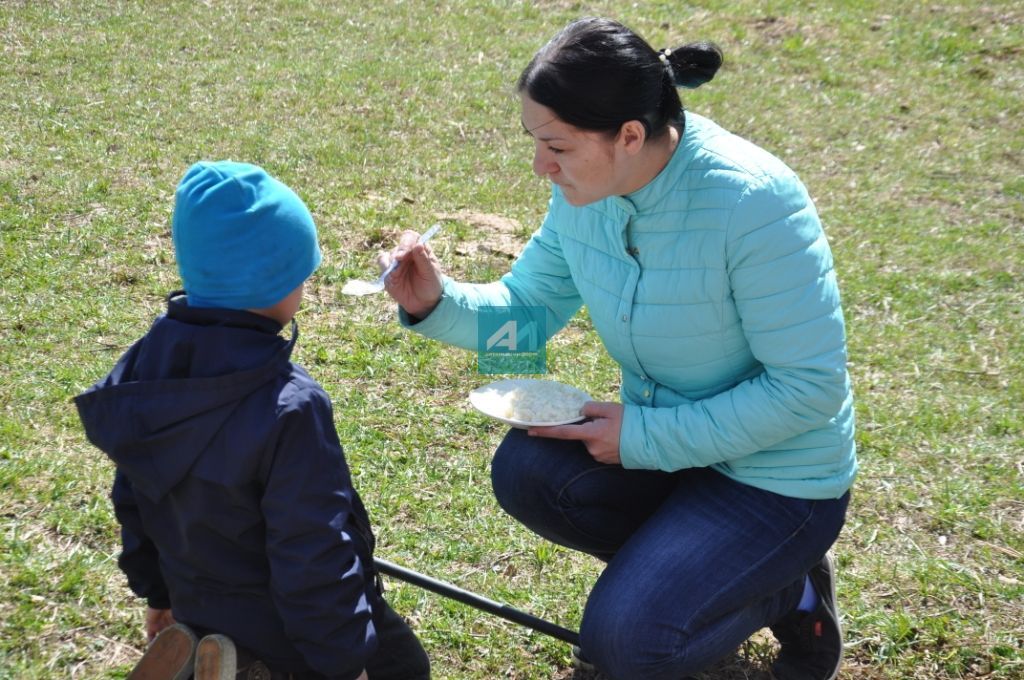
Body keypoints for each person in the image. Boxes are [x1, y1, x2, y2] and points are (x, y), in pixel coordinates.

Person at [381, 17, 856, 680]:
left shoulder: (754, 202)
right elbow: (529, 315)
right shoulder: (584, 194)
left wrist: (643, 436)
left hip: (775, 482)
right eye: (535, 142)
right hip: (669, 452)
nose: (541, 166)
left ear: (629, 135)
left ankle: (788, 589)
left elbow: (809, 390)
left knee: (628, 645)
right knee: (524, 472)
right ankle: (695, 573)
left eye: (557, 146)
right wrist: (434, 301)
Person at [75, 161, 431, 680]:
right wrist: (345, 662)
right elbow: (312, 553)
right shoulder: (291, 406)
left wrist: (158, 592)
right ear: (282, 280)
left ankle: (210, 657)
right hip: (289, 634)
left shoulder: (145, 370)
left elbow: (133, 495)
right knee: (404, 666)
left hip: (196, 605)